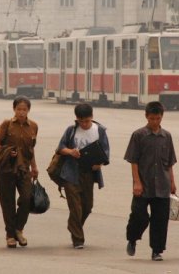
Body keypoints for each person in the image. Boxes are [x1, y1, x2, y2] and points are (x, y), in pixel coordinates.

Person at [124, 101, 177, 262]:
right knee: (138, 216)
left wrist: (172, 182)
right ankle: (132, 239)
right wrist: (137, 183)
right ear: (146, 117)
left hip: (162, 185)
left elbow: (169, 162)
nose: (155, 122)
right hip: (144, 185)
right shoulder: (138, 135)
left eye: (158, 118)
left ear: (162, 117)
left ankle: (157, 250)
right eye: (152, 118)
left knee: (160, 220)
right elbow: (133, 161)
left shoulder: (166, 137)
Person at [56, 103, 110, 249]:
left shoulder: (99, 130)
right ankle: (78, 239)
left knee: (87, 206)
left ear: (92, 117)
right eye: (81, 121)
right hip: (71, 173)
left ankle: (73, 225)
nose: (84, 124)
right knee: (75, 207)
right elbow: (60, 148)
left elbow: (105, 152)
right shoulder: (71, 130)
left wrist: (99, 164)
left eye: (87, 121)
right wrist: (70, 152)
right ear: (77, 119)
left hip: (89, 173)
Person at [0, 95, 38, 248]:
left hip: (23, 168)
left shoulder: (33, 126)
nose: (21, 112)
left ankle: (18, 229)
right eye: (19, 109)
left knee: (26, 199)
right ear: (14, 109)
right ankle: (10, 235)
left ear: (29, 110)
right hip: (6, 169)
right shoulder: (6, 124)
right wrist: (7, 151)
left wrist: (34, 167)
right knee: (8, 203)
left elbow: (31, 149)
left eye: (24, 109)